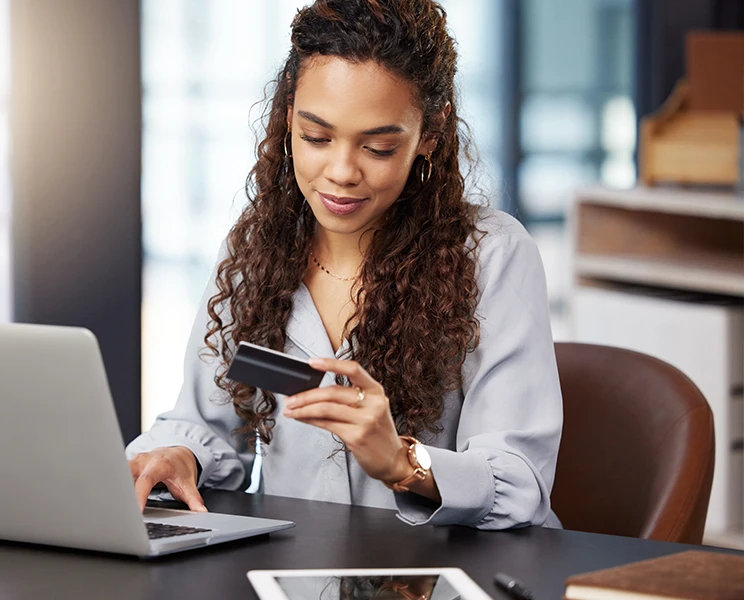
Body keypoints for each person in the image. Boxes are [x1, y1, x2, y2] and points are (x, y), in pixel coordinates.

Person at [127, 0, 563, 529]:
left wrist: (403, 463)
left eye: (378, 148)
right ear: (289, 115)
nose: (341, 172)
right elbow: (206, 426)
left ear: (430, 133)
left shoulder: (491, 255)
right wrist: (180, 456)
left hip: (443, 568)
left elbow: (518, 482)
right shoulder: (258, 248)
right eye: (316, 137)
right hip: (294, 562)